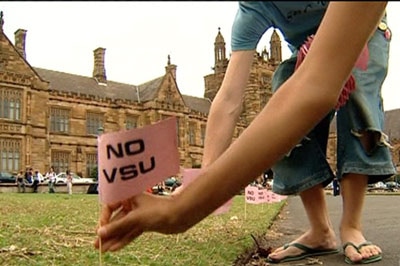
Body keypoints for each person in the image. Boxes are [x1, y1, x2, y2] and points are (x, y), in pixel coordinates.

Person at [95, 2, 396, 265]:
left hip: (367, 29)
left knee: (360, 105)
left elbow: (318, 89)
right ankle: (320, 229)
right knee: (284, 86)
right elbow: (227, 99)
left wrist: (187, 207)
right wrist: (203, 177)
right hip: (308, 51)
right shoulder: (253, 7)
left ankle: (351, 226)